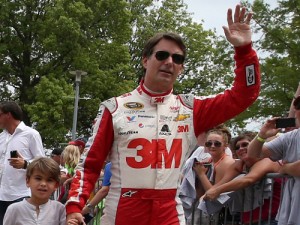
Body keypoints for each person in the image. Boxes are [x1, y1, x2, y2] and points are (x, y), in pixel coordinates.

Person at [66, 4, 261, 225]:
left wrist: (244, 51)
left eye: (177, 59)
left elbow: (244, 95)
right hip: (122, 212)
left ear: (181, 68)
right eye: (162, 55)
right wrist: (74, 206)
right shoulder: (115, 108)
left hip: (169, 212)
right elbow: (91, 164)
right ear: (145, 60)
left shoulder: (191, 108)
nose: (169, 62)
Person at [204, 131, 281, 225]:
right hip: (248, 220)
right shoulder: (240, 164)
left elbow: (248, 180)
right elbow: (221, 183)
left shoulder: (267, 161)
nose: (241, 149)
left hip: (270, 220)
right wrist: (208, 193)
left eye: (245, 145)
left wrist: (218, 190)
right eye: (237, 147)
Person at [247, 95, 300, 225]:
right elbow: (254, 154)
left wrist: (285, 168)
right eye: (298, 107)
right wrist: (262, 135)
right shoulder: (290, 137)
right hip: (292, 208)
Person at [0, 101, 45, 224]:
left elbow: (43, 164)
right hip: (1, 195)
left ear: (8, 115)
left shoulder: (31, 134)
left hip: (21, 195)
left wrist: (25, 164)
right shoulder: (1, 137)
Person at [180, 126, 235, 224]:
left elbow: (213, 194)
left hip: (214, 213)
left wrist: (201, 174)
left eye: (217, 144)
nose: (212, 146)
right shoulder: (210, 160)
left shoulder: (226, 163)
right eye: (209, 143)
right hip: (203, 209)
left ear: (225, 145)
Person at [3, 157, 66, 225]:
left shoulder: (59, 209)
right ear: (28, 181)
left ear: (56, 185)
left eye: (49, 180)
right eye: (38, 178)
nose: (43, 184)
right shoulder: (14, 209)